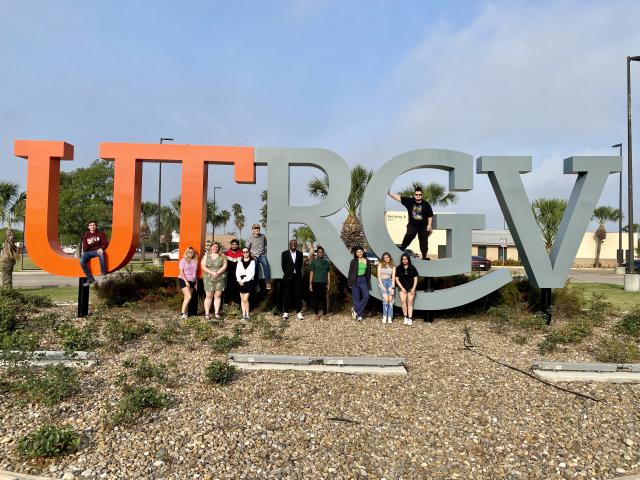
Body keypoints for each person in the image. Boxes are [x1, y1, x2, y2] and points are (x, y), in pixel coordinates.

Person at [387, 187, 434, 260]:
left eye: (420, 194)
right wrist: (389, 193)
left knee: (423, 241)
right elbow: (399, 198)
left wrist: (429, 225)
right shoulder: (410, 201)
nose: (418, 196)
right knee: (409, 234)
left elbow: (430, 216)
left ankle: (424, 256)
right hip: (413, 225)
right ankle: (402, 248)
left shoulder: (426, 204)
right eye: (417, 194)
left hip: (423, 227)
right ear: (414, 195)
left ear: (422, 195)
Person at [201, 242, 227, 320]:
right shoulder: (206, 256)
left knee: (218, 295)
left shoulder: (222, 256)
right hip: (208, 277)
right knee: (209, 296)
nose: (215, 248)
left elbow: (225, 265)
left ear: (218, 248)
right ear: (211, 247)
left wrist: (218, 272)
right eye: (214, 246)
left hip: (220, 277)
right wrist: (212, 273)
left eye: (216, 247)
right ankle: (207, 314)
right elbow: (203, 266)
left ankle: (216, 313)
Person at [80, 220, 108, 286]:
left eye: (94, 225)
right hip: (88, 252)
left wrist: (101, 248)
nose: (92, 226)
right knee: (81, 261)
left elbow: (105, 243)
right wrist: (89, 243)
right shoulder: (86, 234)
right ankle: (90, 279)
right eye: (91, 225)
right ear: (88, 227)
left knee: (101, 254)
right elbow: (85, 248)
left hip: (97, 251)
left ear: (96, 226)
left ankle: (104, 274)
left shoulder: (100, 233)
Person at [281, 239, 304, 319]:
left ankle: (299, 312)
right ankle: (286, 312)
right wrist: (288, 273)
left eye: (295, 243)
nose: (293, 245)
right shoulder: (284, 253)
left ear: (296, 245)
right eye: (292, 243)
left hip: (297, 277)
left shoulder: (300, 254)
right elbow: (283, 266)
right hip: (288, 277)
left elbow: (300, 265)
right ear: (289, 245)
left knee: (298, 294)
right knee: (287, 294)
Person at [347, 246, 371, 321]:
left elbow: (368, 273)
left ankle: (355, 309)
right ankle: (359, 315)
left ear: (363, 252)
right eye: (357, 252)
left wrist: (368, 284)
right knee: (356, 298)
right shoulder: (353, 261)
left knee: (366, 296)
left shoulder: (367, 261)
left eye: (360, 251)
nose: (359, 253)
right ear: (356, 253)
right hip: (355, 280)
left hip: (363, 280)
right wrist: (349, 283)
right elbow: (350, 273)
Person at [246, 224, 271, 290]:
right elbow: (247, 248)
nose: (257, 229)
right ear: (253, 230)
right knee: (255, 266)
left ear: (259, 229)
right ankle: (257, 284)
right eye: (255, 228)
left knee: (266, 264)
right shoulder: (249, 238)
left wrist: (266, 253)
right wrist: (249, 256)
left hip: (261, 254)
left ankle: (267, 282)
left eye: (258, 228)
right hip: (253, 255)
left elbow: (266, 245)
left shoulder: (263, 236)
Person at [308, 246, 331, 319]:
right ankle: (316, 314)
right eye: (319, 252)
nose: (320, 253)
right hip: (315, 282)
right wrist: (310, 283)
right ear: (317, 253)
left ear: (323, 253)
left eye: (322, 252)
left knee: (324, 298)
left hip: (323, 282)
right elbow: (311, 272)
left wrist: (329, 283)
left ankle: (324, 314)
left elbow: (328, 273)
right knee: (316, 299)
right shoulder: (314, 262)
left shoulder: (326, 262)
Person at [396, 253, 418, 325]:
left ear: (408, 259)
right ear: (401, 260)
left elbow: (415, 279)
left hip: (411, 288)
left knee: (410, 302)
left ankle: (410, 318)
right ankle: (405, 317)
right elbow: (397, 279)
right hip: (402, 288)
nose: (404, 260)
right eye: (403, 259)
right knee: (403, 302)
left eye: (406, 259)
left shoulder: (412, 268)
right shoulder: (398, 268)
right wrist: (402, 288)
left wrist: (413, 288)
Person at [178, 247, 199, 320]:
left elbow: (195, 273)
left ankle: (186, 313)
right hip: (183, 280)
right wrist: (186, 281)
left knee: (186, 297)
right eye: (189, 252)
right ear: (186, 252)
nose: (191, 253)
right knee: (189, 296)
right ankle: (182, 313)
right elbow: (181, 272)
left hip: (192, 281)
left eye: (192, 252)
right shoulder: (183, 260)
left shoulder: (195, 261)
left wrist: (196, 282)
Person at [236, 247, 256, 321]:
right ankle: (243, 315)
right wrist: (239, 280)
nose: (245, 253)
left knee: (245, 299)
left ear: (249, 252)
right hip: (240, 282)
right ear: (242, 253)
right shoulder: (240, 261)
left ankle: (247, 314)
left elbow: (251, 273)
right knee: (242, 299)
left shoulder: (252, 262)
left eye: (246, 252)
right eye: (243, 252)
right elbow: (237, 272)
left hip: (248, 282)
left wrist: (243, 280)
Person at [377, 252, 396, 324]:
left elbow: (393, 277)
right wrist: (381, 285)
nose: (386, 259)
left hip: (390, 283)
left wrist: (393, 288)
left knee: (390, 300)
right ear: (383, 258)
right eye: (385, 258)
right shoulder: (380, 265)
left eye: (387, 257)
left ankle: (390, 317)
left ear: (390, 257)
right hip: (382, 282)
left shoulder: (393, 266)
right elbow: (378, 276)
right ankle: (384, 316)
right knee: (386, 300)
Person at [224, 238, 242, 305]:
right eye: (233, 244)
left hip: (238, 275)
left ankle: (237, 304)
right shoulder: (226, 253)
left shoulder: (241, 253)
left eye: (236, 244)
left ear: (238, 245)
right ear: (231, 245)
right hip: (229, 274)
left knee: (237, 289)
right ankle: (226, 304)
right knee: (228, 289)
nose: (234, 245)